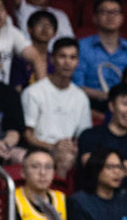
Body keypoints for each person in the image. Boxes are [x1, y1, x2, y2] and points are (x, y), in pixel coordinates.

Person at [22, 38, 93, 173]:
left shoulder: (81, 97)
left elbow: (82, 136)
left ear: (77, 62)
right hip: (38, 149)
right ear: (52, 60)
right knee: (64, 157)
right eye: (62, 56)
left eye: (72, 58)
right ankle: (59, 194)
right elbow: (28, 136)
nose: (67, 62)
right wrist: (53, 147)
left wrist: (74, 147)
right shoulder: (34, 92)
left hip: (68, 151)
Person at [75, 0, 127, 103]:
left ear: (122, 18)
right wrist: (109, 97)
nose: (110, 16)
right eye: (104, 12)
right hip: (89, 103)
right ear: (95, 18)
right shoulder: (81, 47)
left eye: (115, 12)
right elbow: (76, 86)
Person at [76, 82, 127, 167]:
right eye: (126, 104)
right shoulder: (91, 135)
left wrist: (112, 166)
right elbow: (90, 165)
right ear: (112, 106)